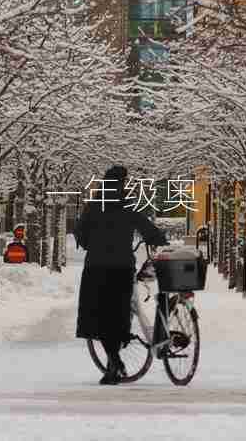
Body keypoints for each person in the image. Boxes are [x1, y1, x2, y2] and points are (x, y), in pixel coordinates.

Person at [74, 165, 167, 386]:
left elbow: (81, 233)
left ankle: (113, 362)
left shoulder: (94, 205)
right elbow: (146, 228)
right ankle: (114, 361)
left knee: (98, 315)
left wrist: (92, 243)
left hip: (96, 267)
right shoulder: (128, 204)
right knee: (118, 315)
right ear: (123, 183)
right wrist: (158, 239)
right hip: (121, 267)